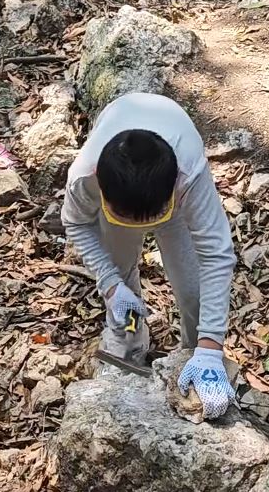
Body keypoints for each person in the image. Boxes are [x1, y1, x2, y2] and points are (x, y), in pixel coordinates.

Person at [61, 93, 237, 419]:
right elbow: (75, 222)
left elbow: (216, 253)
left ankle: (193, 353)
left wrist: (211, 347)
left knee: (193, 288)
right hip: (127, 195)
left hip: (170, 202)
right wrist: (111, 283)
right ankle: (128, 335)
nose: (143, 228)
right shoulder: (86, 177)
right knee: (119, 270)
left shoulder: (188, 173)